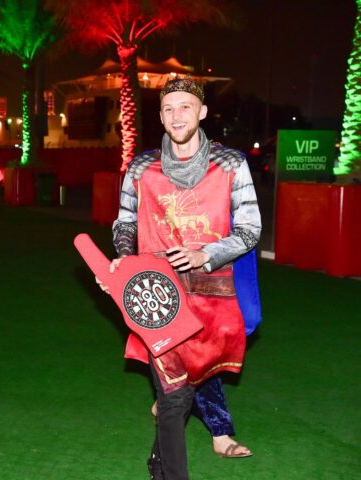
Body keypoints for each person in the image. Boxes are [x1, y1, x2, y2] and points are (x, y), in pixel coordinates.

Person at [104, 76, 261, 479]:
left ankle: (159, 462)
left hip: (213, 298)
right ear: (160, 116)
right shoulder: (141, 167)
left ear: (202, 112)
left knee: (187, 389)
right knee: (174, 397)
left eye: (185, 107)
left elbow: (250, 230)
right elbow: (124, 224)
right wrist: (125, 261)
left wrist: (204, 254)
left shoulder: (231, 164)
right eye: (169, 108)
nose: (177, 116)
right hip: (159, 295)